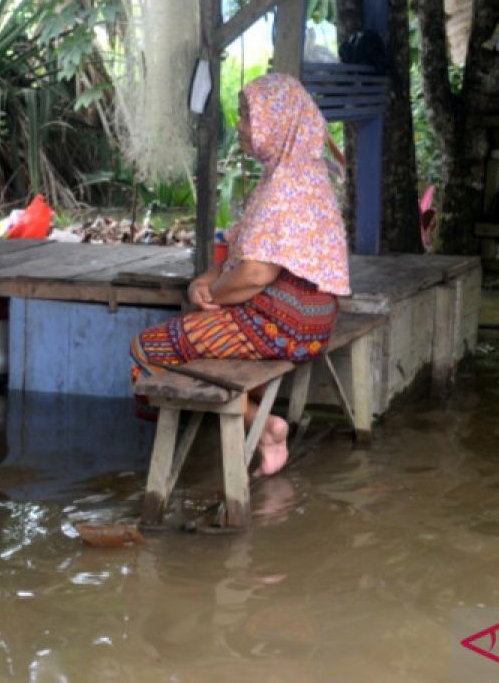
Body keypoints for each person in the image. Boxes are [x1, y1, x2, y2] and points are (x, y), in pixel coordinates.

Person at [131, 73, 351, 476]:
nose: (242, 126)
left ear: (279, 122)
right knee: (202, 333)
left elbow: (254, 274)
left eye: (250, 117)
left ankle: (263, 429)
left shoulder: (286, 186)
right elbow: (241, 249)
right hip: (312, 320)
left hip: (285, 324)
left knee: (147, 351)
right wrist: (208, 280)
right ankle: (245, 432)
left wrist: (213, 294)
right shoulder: (303, 174)